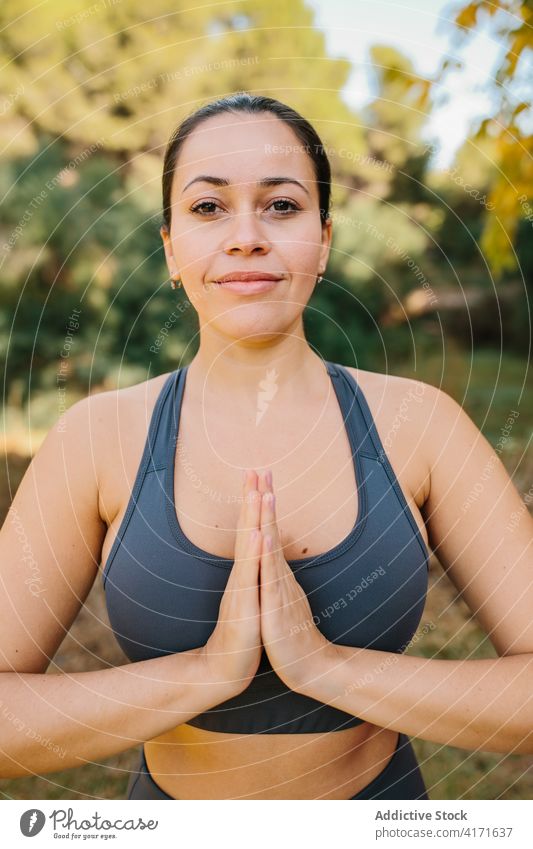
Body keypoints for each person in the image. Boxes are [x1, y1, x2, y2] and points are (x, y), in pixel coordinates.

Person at [1, 93, 532, 801]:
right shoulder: (94, 439)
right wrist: (208, 673)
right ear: (168, 248)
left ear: (323, 240)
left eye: (281, 205)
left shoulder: (421, 425)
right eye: (207, 208)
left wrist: (323, 666)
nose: (246, 235)